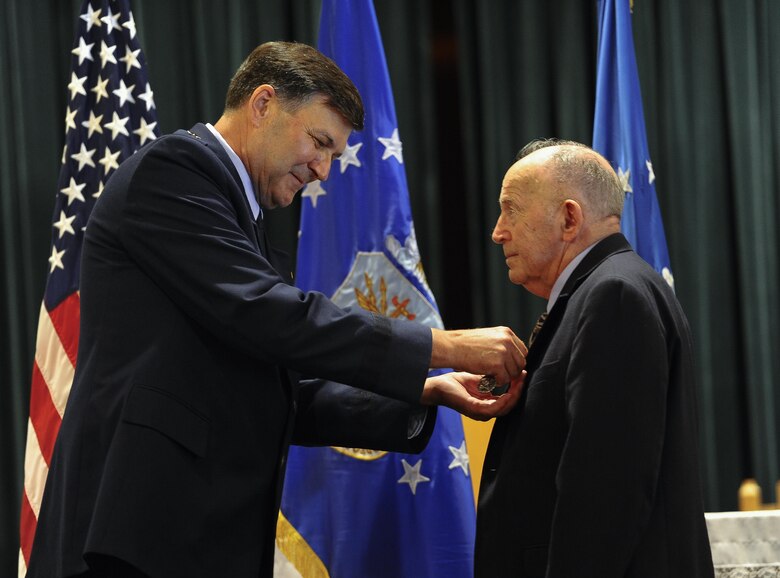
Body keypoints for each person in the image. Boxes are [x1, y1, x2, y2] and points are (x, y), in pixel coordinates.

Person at [27, 41, 527, 578]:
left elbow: (274, 389)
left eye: (335, 153)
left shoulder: (244, 216)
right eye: (319, 142)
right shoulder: (171, 173)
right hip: (132, 540)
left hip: (189, 539)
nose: (325, 171)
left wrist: (424, 388)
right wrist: (441, 346)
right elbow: (271, 315)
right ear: (263, 104)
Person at [475, 139, 714, 577]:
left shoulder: (614, 295)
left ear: (569, 218)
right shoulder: (599, 291)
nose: (498, 230)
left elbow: (606, 491)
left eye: (511, 209)